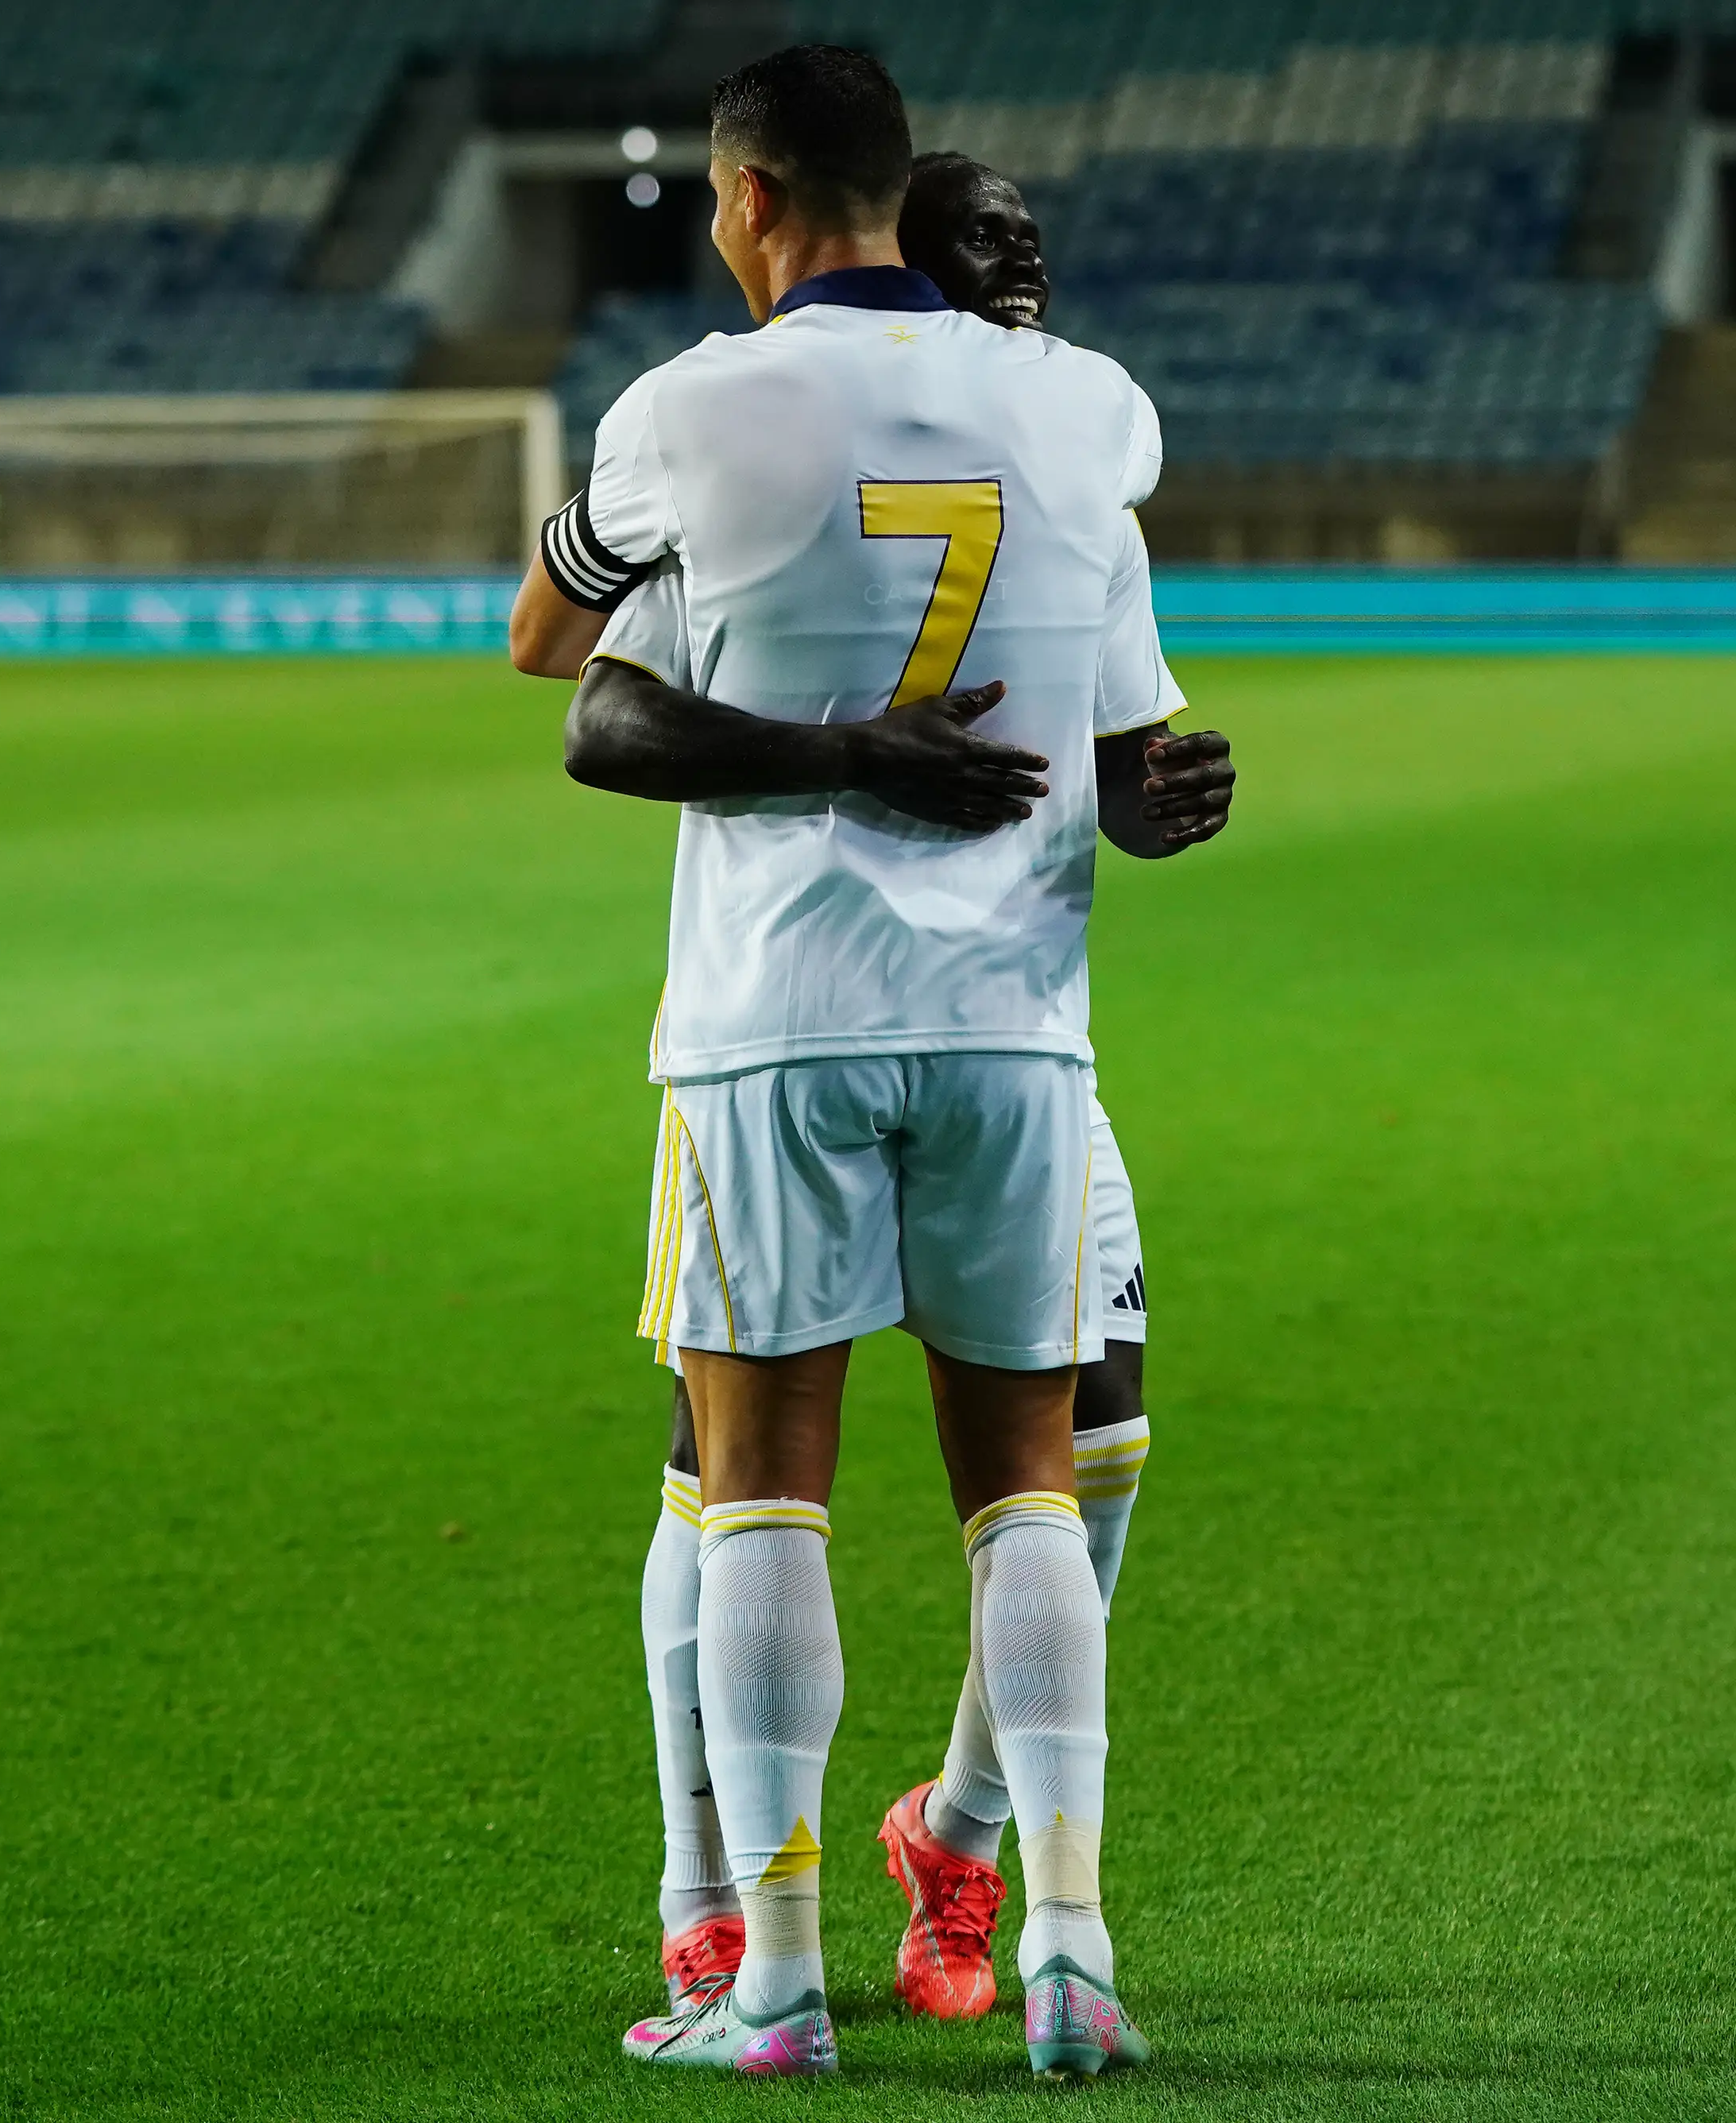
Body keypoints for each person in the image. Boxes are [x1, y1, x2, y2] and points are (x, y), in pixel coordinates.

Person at [507, 46, 1232, 2080]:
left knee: (755, 1493)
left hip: (776, 1024)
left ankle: (771, 1974)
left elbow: (560, 669)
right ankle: (1070, 1949)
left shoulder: (689, 413)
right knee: (1030, 1491)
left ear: (748, 198)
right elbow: (1111, 727)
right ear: (910, 198)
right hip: (1015, 1027)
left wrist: (828, 741)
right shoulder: (1088, 412)